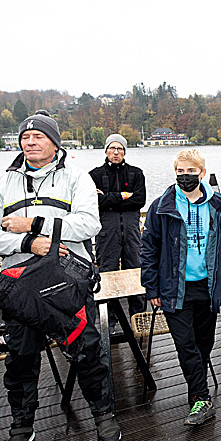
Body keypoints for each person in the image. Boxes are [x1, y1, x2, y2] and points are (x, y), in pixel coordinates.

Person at [0, 111, 121, 441]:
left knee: (88, 350)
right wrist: (30, 243)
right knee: (21, 358)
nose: (30, 142)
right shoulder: (2, 183)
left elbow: (89, 223)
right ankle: (22, 427)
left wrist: (34, 223)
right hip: (21, 287)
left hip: (67, 283)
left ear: (54, 142)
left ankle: (102, 414)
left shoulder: (76, 179)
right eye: (25, 137)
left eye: (38, 136)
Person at [141, 149, 221, 425]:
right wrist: (152, 288)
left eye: (190, 172)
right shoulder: (162, 206)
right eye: (180, 172)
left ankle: (198, 392)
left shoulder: (218, 206)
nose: (185, 176)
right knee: (185, 344)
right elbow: (148, 249)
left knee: (204, 342)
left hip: (207, 287)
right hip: (174, 287)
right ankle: (201, 398)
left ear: (202, 173)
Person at [88, 133, 146, 334]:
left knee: (136, 274)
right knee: (107, 276)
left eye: (120, 149)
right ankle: (109, 322)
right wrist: (121, 196)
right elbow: (95, 202)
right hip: (106, 234)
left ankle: (138, 318)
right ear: (106, 150)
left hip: (131, 233)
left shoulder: (136, 173)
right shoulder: (94, 175)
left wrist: (109, 199)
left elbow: (140, 200)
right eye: (112, 148)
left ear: (124, 152)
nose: (116, 152)